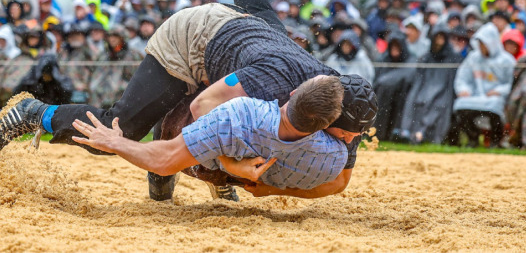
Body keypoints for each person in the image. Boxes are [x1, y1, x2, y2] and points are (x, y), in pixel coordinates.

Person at [0, 0, 377, 200]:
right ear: (327, 116)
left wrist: (268, 190)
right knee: (120, 127)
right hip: (194, 39)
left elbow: (339, 180)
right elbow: (205, 107)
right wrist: (231, 168)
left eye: (353, 137)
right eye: (346, 136)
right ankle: (32, 113)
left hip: (254, 41)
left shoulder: (343, 101)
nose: (348, 142)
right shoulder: (274, 87)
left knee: (269, 28)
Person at [73, 76, 349, 191]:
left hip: (207, 166)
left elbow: (166, 158)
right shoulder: (334, 159)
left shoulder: (242, 113)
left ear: (292, 92)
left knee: (190, 102)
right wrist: (258, 187)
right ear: (328, 124)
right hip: (251, 182)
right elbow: (333, 187)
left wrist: (116, 142)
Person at [447, 23, 515, 148]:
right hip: (475, 96)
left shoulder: (507, 60)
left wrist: (499, 91)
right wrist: (464, 90)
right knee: (460, 106)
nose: (482, 47)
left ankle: (495, 142)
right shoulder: (473, 58)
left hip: (496, 97)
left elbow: (511, 84)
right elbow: (462, 78)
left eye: (484, 43)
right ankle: (473, 138)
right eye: (480, 43)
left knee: (495, 108)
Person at [399, 24, 462, 144]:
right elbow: (418, 80)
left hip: (444, 91)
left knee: (439, 104)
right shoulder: (425, 58)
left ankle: (423, 133)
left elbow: (452, 81)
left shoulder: (454, 59)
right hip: (424, 89)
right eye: (437, 38)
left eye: (442, 38)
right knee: (414, 100)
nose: (439, 42)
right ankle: (408, 132)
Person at [373, 30, 415, 141]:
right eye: (393, 45)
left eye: (398, 46)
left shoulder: (411, 60)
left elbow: (408, 75)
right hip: (383, 97)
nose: (395, 49)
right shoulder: (383, 59)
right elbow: (377, 82)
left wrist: (386, 82)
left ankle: (396, 134)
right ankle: (378, 134)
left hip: (402, 95)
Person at [58, 24, 94, 104]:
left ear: (84, 37)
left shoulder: (88, 51)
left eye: (78, 34)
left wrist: (86, 86)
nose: (75, 37)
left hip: (82, 91)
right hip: (64, 91)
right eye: (72, 35)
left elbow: (94, 69)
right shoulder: (63, 52)